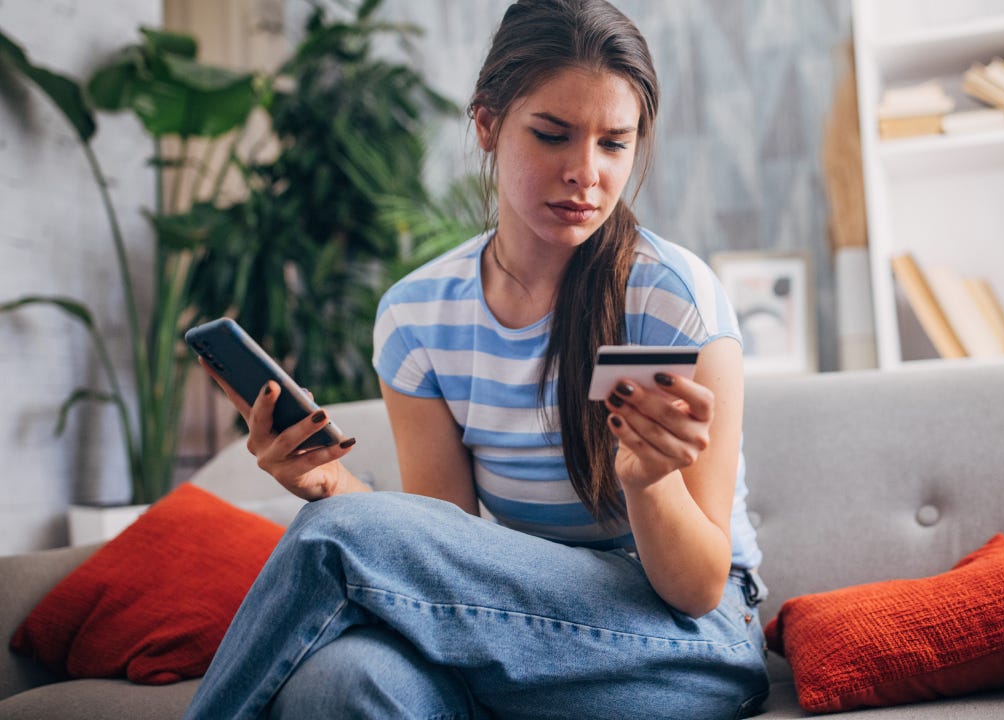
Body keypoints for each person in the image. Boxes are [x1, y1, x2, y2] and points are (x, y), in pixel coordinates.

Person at [183, 0, 769, 717]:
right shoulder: (419, 315)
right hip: (522, 628)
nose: (586, 174)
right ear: (487, 123)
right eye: (553, 135)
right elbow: (442, 543)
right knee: (344, 680)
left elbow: (698, 588)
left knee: (335, 542)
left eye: (614, 144)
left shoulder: (669, 300)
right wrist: (331, 483)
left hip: (682, 640)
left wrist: (650, 485)